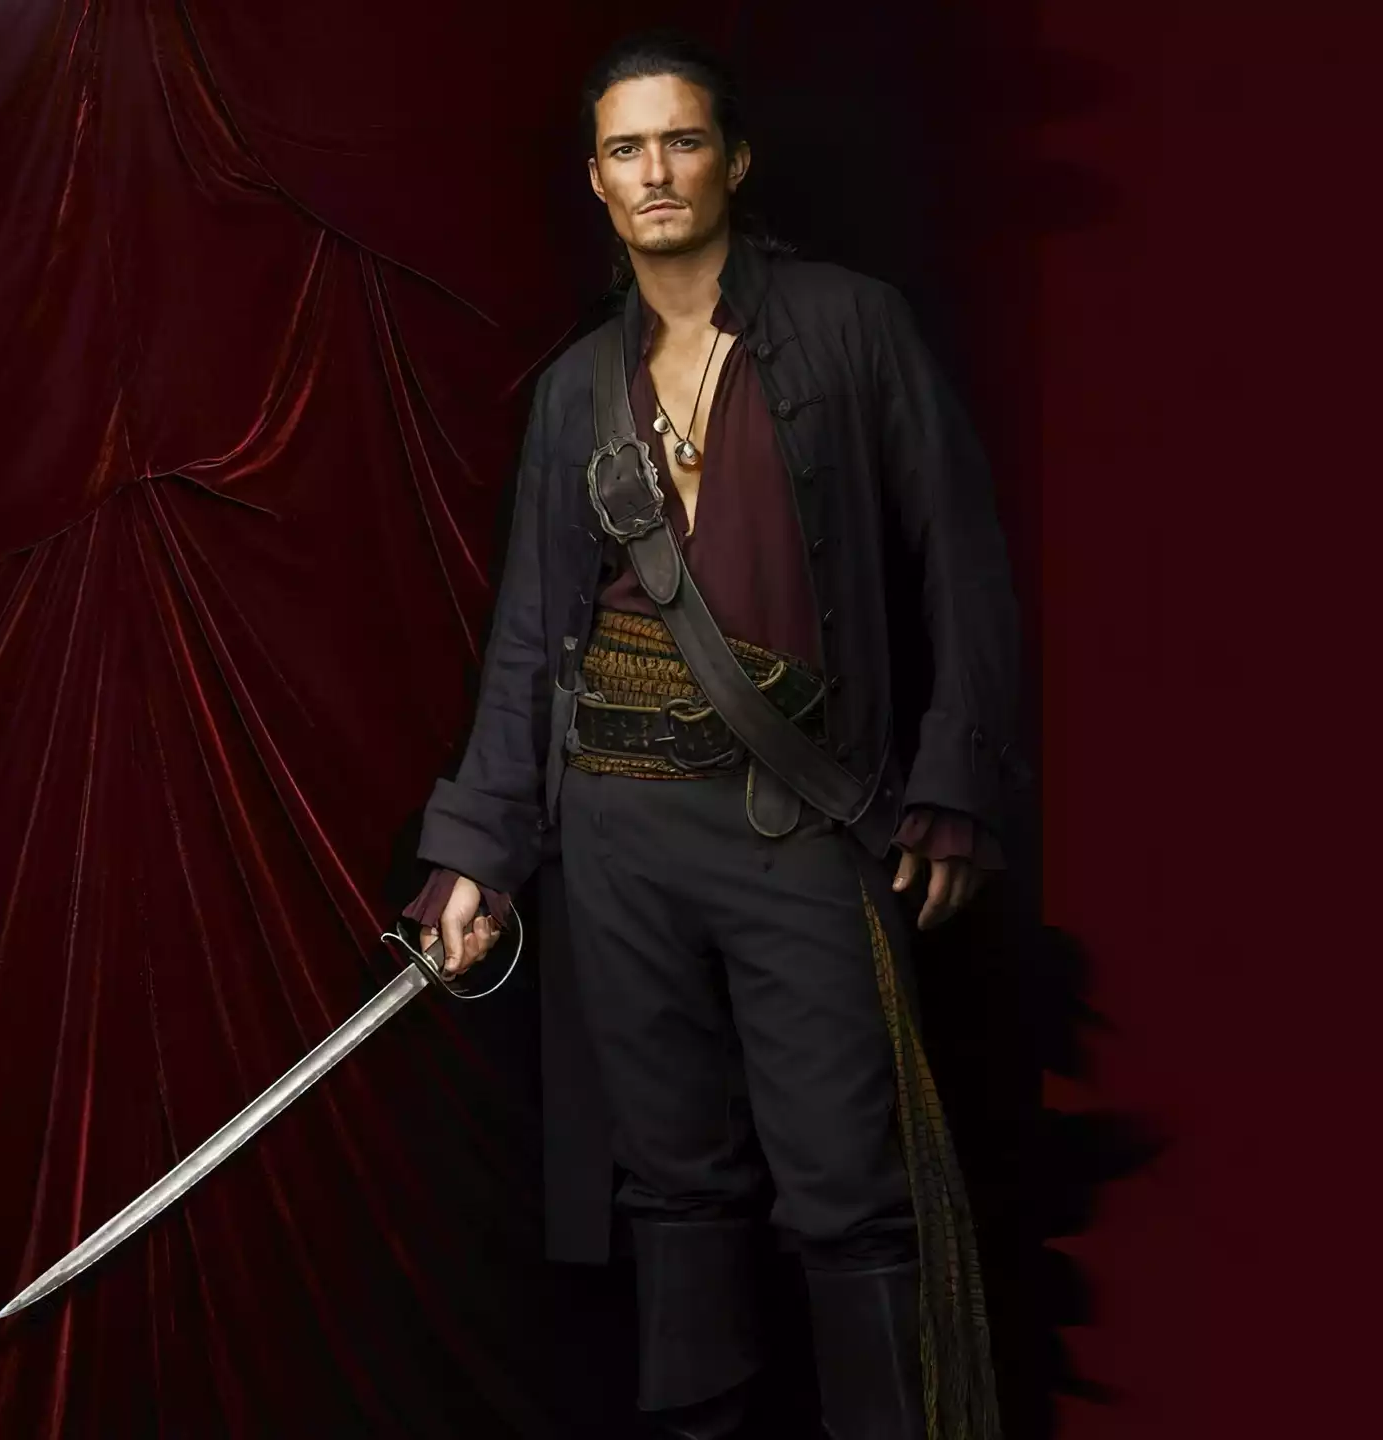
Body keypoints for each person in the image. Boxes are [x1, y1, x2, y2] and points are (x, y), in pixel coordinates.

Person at [402, 28, 1018, 1440]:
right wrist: (475, 856)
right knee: (672, 1186)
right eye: (626, 148)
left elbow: (964, 564)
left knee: (848, 1190)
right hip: (615, 833)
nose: (656, 170)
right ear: (596, 182)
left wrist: (955, 784)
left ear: (733, 160)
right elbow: (529, 642)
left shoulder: (854, 326)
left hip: (795, 819)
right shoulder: (574, 391)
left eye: (681, 140)